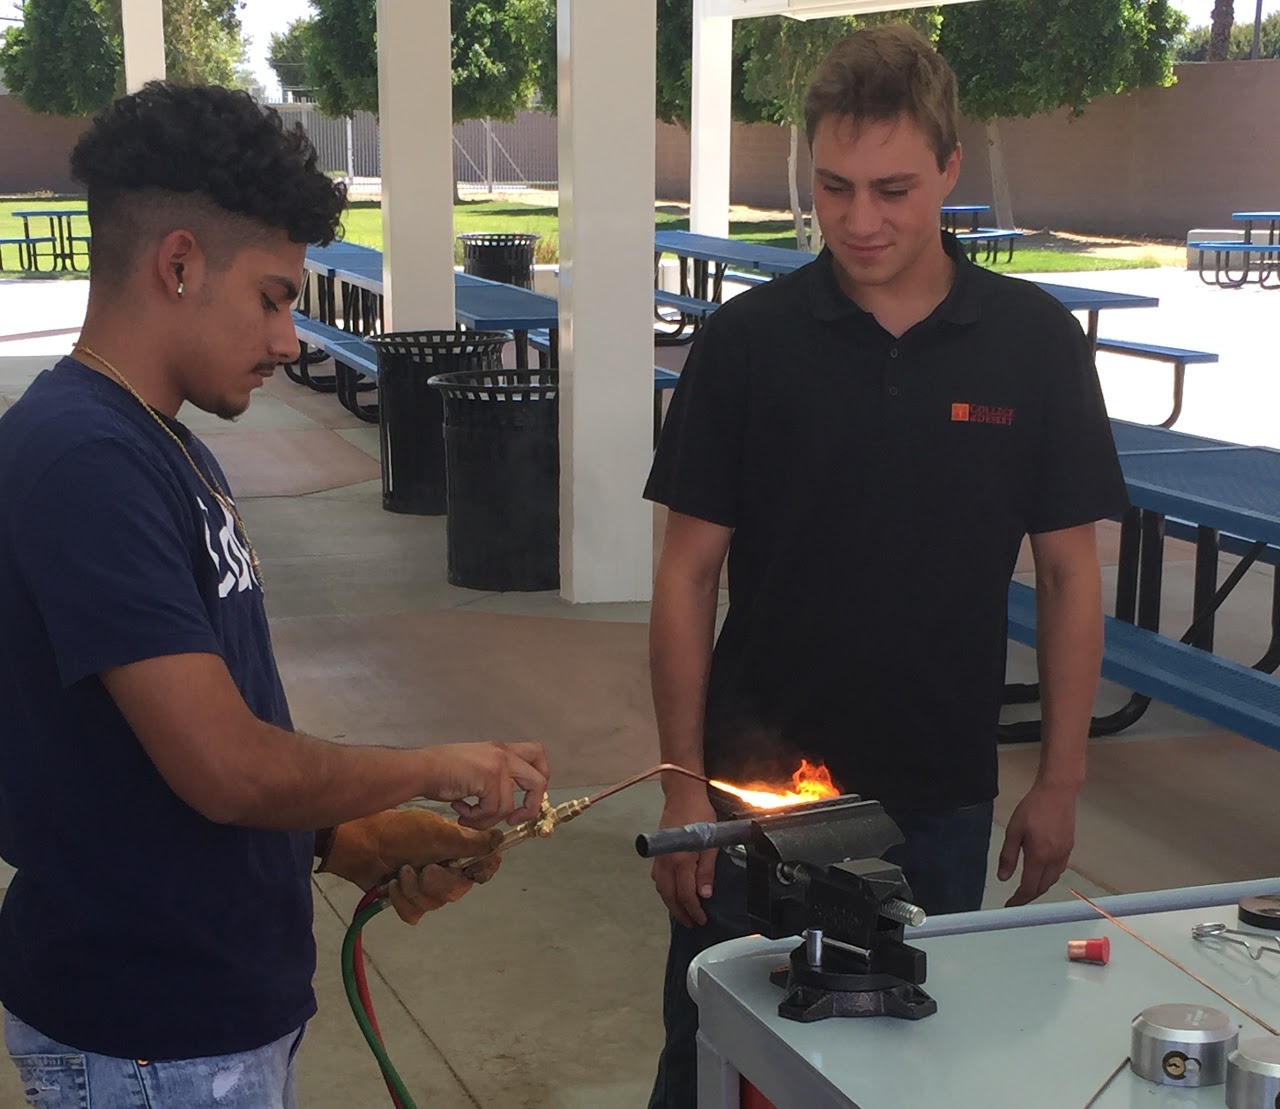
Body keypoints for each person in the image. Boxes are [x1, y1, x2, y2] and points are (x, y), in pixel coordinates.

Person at [0, 82, 549, 1108]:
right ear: (177, 264)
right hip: (147, 1038)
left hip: (201, 1024)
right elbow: (224, 765)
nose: (290, 337)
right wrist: (435, 763)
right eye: (270, 295)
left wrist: (346, 838)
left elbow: (149, 765)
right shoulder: (83, 460)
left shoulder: (161, 448)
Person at [643, 24, 1128, 1108]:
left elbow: (1065, 574)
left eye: (894, 188)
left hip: (935, 801)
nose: (860, 220)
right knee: (713, 1062)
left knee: (909, 1079)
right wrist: (680, 782)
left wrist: (1058, 777)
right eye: (834, 187)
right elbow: (683, 575)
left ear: (950, 168)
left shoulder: (1033, 343)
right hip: (750, 797)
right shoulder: (746, 343)